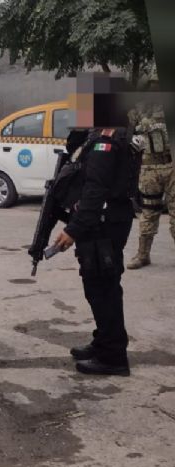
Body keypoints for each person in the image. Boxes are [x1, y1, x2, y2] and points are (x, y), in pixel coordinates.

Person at [52, 123, 139, 376]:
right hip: (105, 222)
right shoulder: (101, 134)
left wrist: (73, 230)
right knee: (99, 287)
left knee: (104, 289)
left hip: (103, 225)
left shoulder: (107, 140)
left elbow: (95, 190)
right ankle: (103, 342)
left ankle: (113, 357)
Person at [126, 102, 174, 269]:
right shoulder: (135, 110)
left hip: (171, 166)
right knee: (148, 212)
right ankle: (143, 254)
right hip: (148, 169)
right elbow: (125, 136)